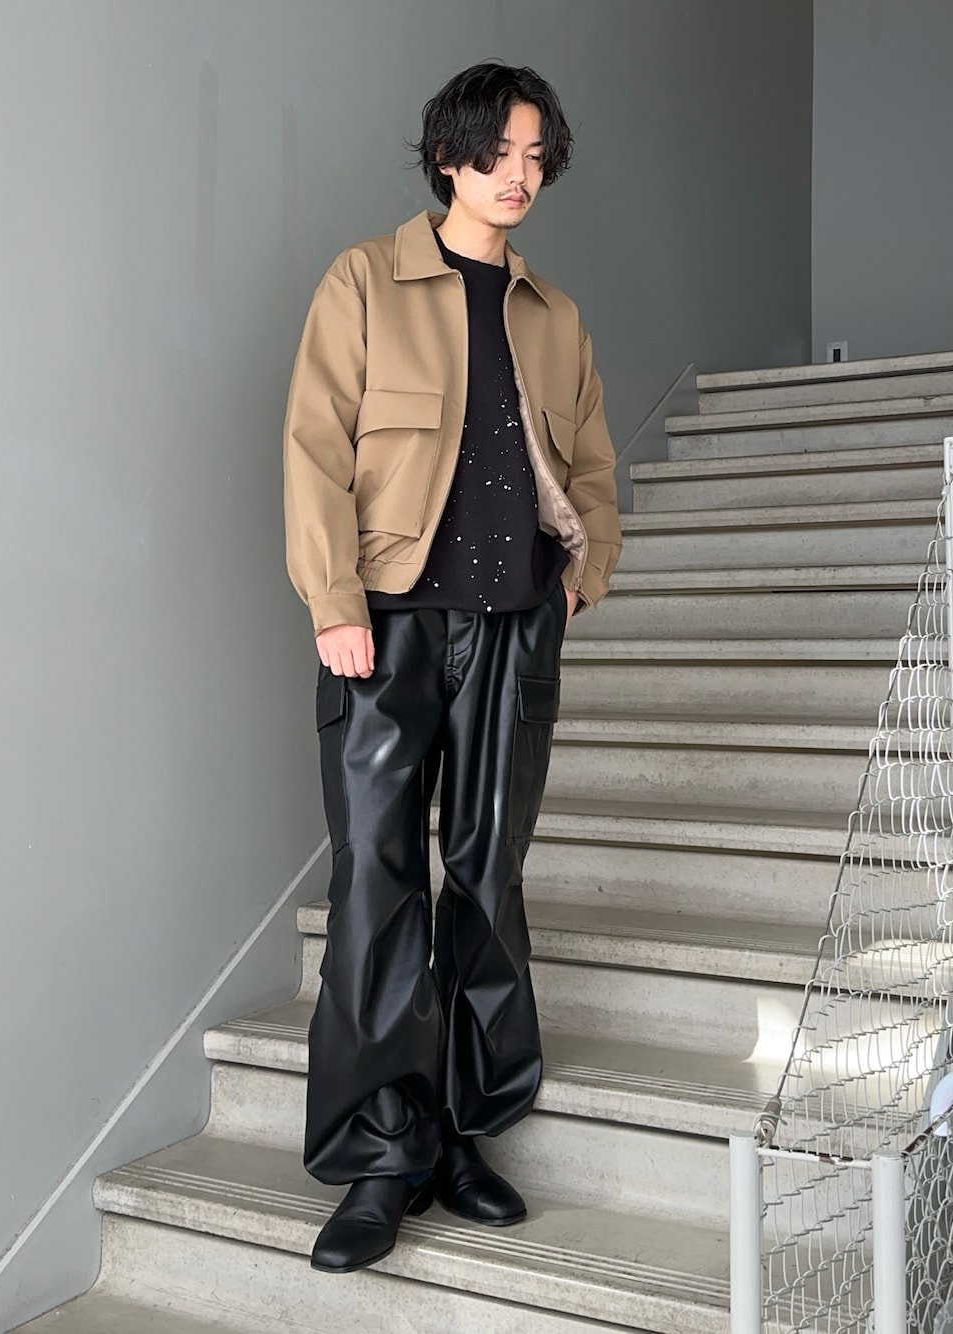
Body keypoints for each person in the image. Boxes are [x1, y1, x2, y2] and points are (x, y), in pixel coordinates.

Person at [282, 60, 622, 1275]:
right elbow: (314, 446)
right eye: (499, 151)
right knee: (376, 881)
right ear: (448, 156)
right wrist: (334, 600)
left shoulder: (553, 313)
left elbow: (591, 465)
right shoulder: (365, 280)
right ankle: (384, 1150)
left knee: (486, 875)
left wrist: (582, 571)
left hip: (515, 623)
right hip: (388, 623)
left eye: (536, 155)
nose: (519, 175)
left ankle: (464, 1133)